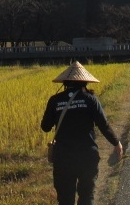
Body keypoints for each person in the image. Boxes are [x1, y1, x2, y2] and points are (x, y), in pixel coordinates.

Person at [41, 61, 123, 205]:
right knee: (86, 196)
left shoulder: (55, 100)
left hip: (63, 157)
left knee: (65, 199)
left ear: (65, 82)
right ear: (84, 81)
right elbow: (104, 125)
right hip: (87, 156)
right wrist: (117, 143)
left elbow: (45, 127)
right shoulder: (90, 100)